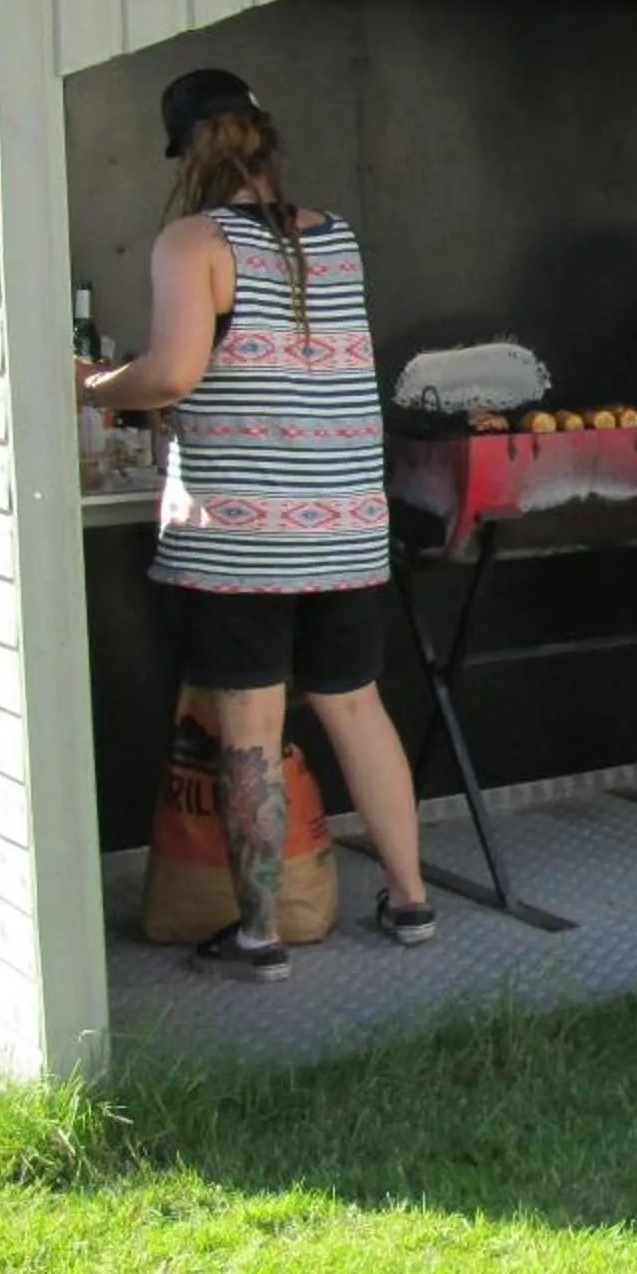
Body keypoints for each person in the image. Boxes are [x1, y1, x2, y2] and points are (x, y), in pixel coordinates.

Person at [78, 68, 437, 981]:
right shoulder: (337, 237)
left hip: (241, 536)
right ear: (265, 141)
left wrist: (90, 385)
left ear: (186, 156)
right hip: (346, 524)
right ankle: (410, 899)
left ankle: (259, 937)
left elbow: (170, 374)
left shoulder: (192, 240)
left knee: (249, 726)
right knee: (357, 706)